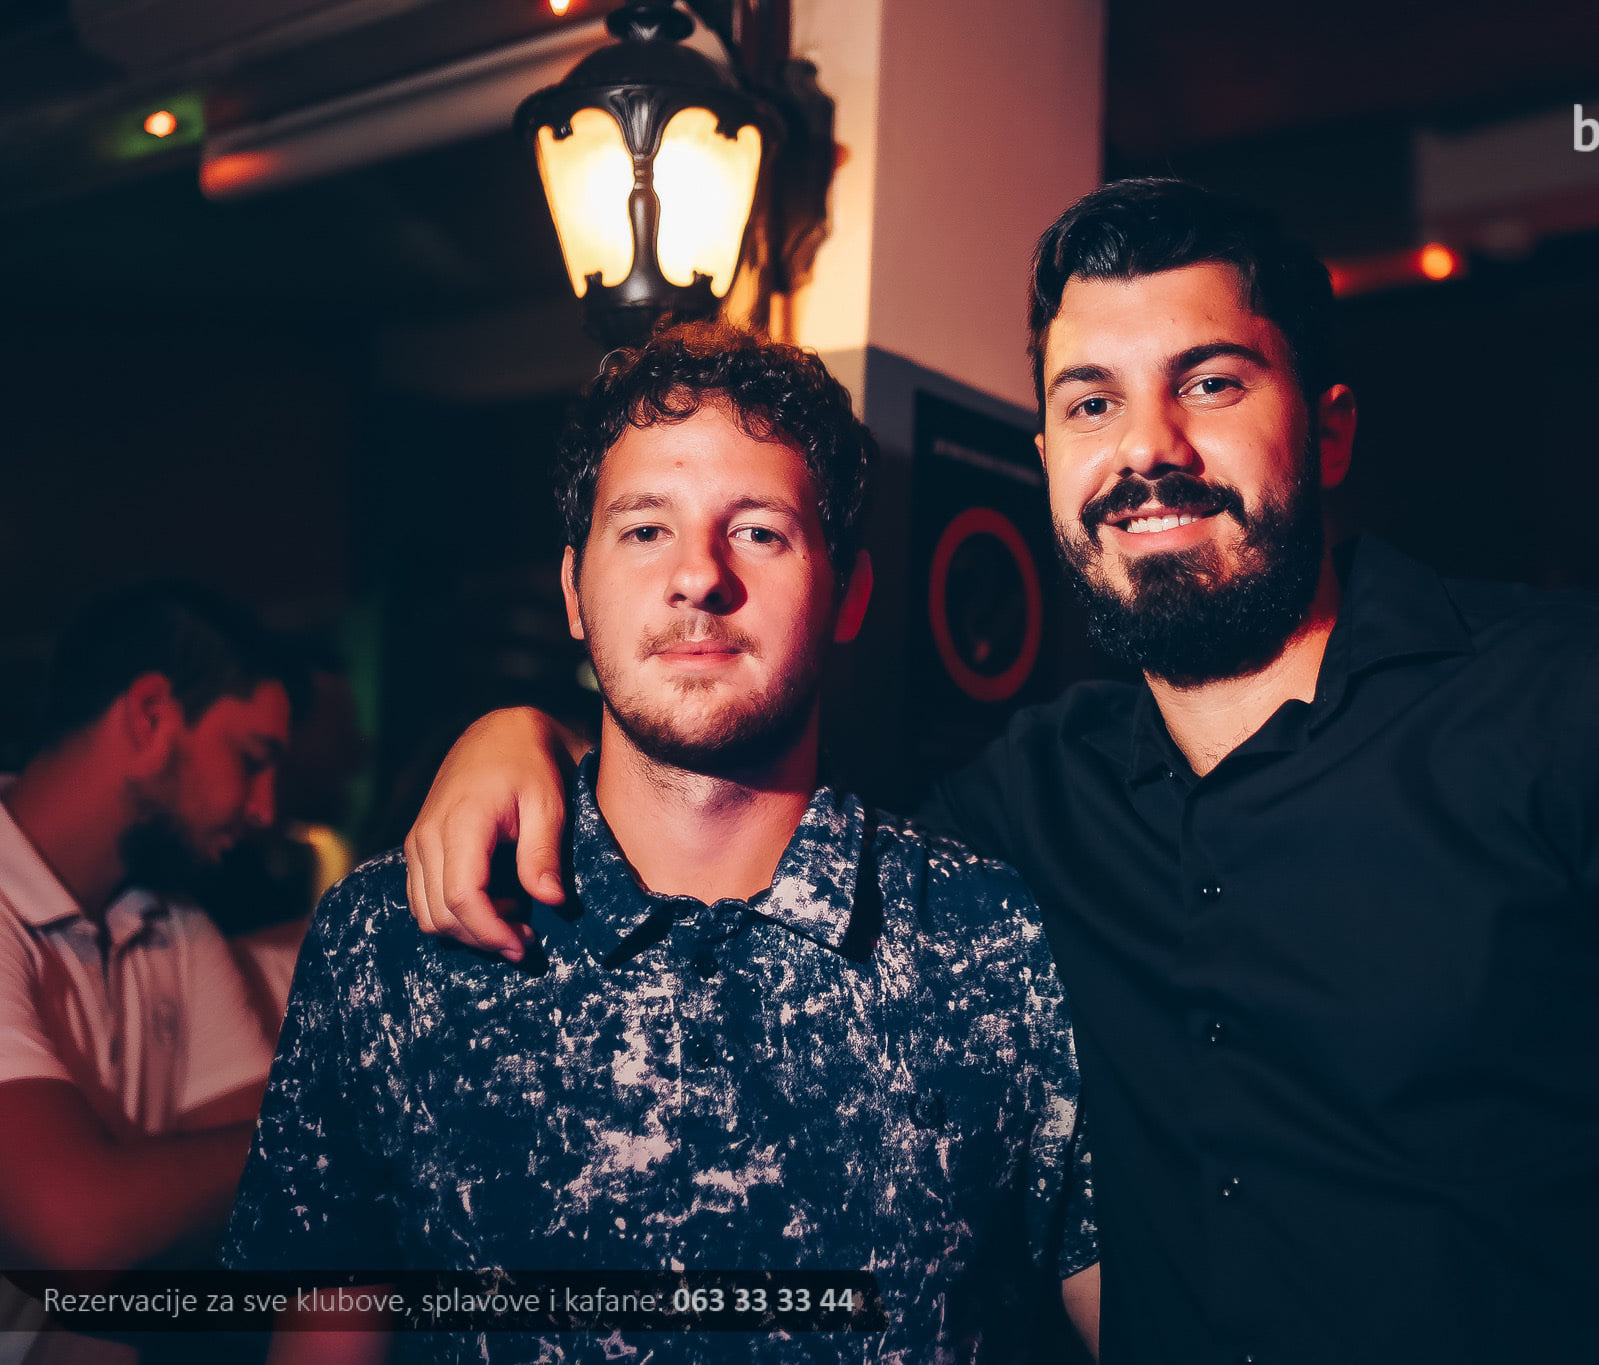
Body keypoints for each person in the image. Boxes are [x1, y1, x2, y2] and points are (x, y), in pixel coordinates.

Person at [401, 181, 1599, 1362]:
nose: (1147, 450)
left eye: (1211, 383)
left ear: (1331, 428)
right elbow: (728, 820)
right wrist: (529, 736)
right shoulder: (1020, 811)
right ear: (1046, 460)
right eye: (1091, 402)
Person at [224, 322, 1099, 1365]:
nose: (697, 577)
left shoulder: (991, 941)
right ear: (572, 591)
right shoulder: (390, 942)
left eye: (759, 532)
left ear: (849, 593)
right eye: (644, 529)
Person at [0, 586, 298, 1361]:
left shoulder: (174, 926)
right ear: (151, 714)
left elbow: (274, 1196)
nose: (265, 809)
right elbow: (78, 1232)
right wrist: (346, 1120)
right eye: (252, 759)